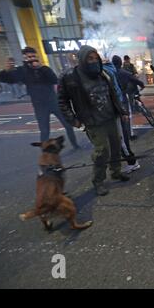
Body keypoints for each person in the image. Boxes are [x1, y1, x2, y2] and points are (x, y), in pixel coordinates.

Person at [58, 45, 130, 196]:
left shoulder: (101, 72)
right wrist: (73, 120)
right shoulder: (69, 77)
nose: (94, 61)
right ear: (82, 59)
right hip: (93, 121)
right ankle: (98, 180)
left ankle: (115, 171)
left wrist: (122, 111)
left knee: (116, 145)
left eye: (96, 58)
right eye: (90, 59)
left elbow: (113, 94)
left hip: (110, 116)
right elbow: (62, 101)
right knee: (102, 151)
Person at [0, 47, 80, 149]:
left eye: (33, 56)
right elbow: (7, 79)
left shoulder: (44, 69)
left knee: (68, 125)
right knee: (45, 130)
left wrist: (41, 68)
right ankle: (45, 154)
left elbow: (54, 80)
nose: (32, 59)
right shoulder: (22, 71)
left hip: (53, 101)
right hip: (39, 105)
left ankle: (75, 145)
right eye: (29, 57)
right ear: (25, 58)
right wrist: (6, 71)